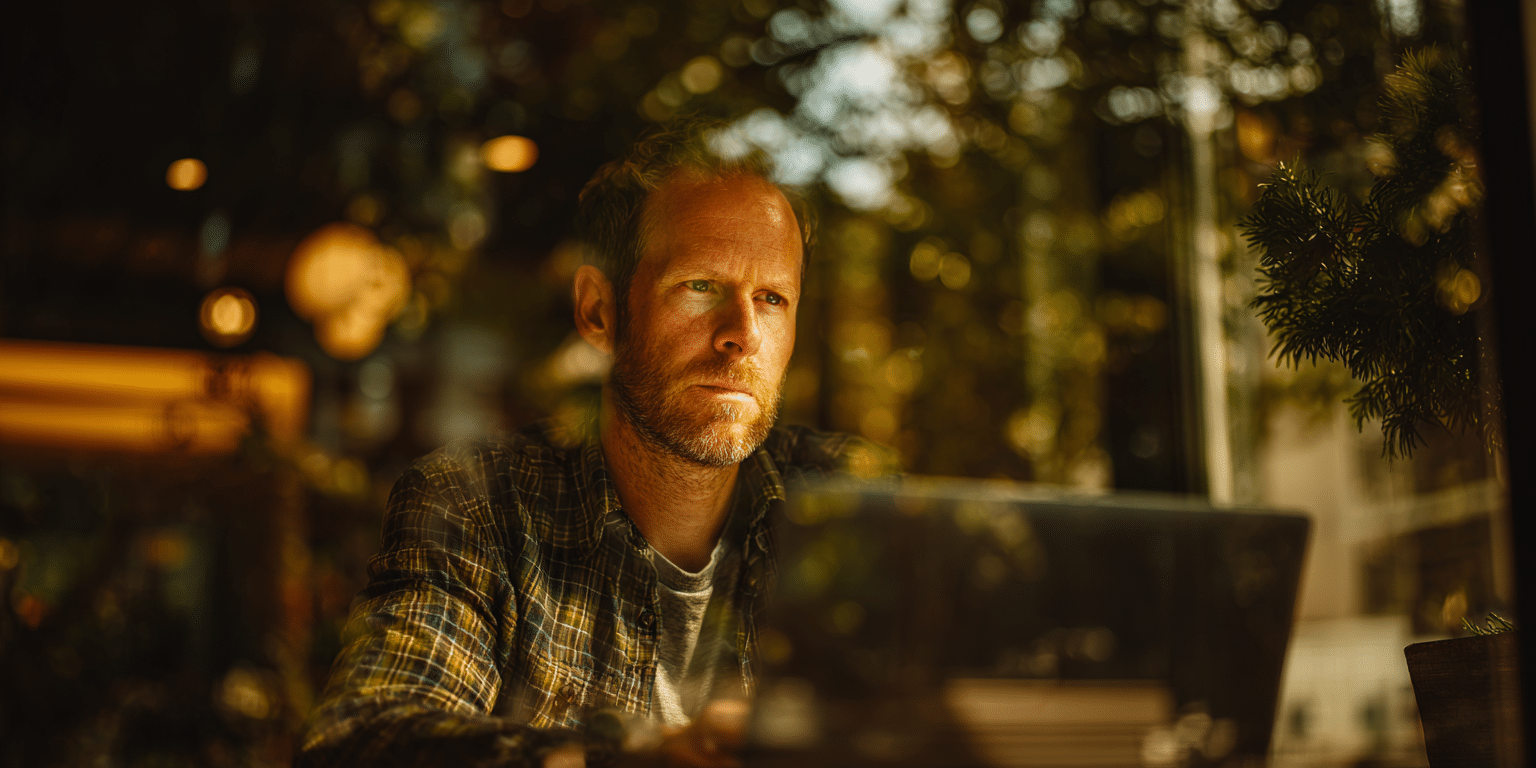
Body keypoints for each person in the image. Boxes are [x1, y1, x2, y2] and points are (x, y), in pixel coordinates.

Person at [296, 119, 896, 768]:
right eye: (700, 287)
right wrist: (634, 759)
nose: (743, 334)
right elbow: (364, 744)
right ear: (598, 312)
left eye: (773, 298)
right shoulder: (482, 507)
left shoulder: (848, 504)